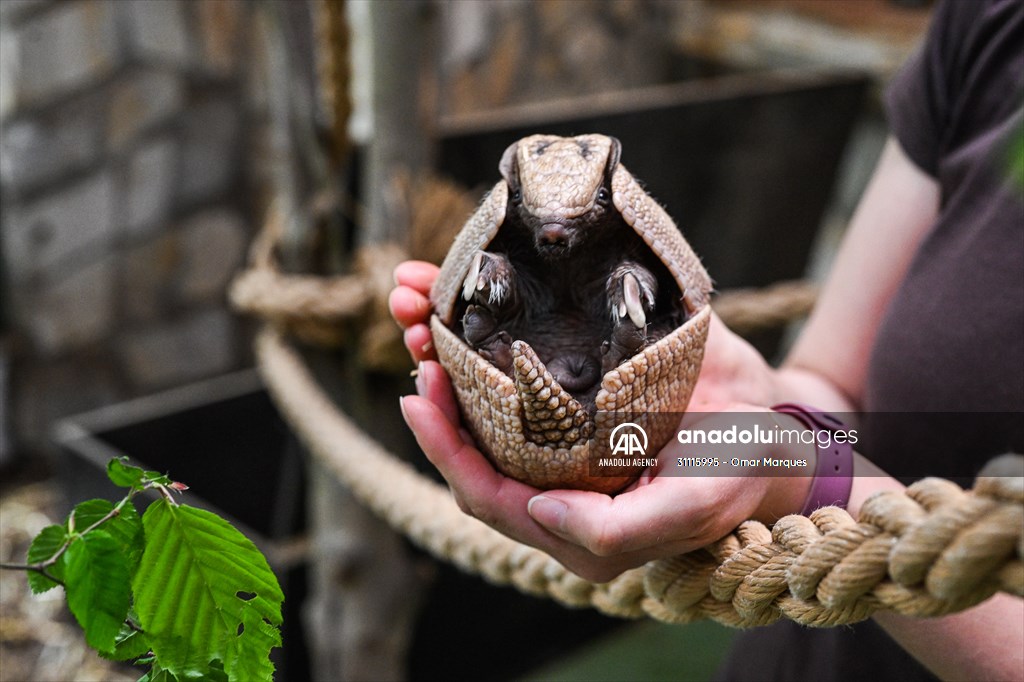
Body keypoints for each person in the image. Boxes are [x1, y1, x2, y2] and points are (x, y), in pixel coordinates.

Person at [389, 0, 1023, 678]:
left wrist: (796, 470)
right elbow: (838, 401)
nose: (554, 234)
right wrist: (767, 398)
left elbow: (817, 455)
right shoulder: (989, 24)